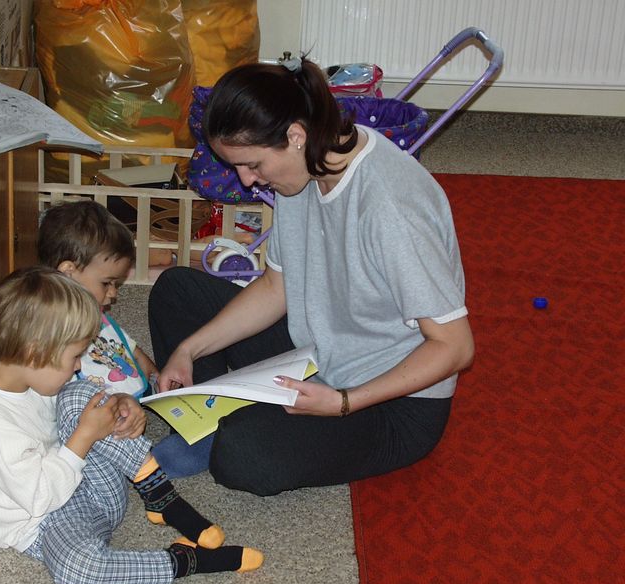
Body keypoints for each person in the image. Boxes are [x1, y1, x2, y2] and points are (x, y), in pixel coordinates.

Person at [148, 56, 475, 496]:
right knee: (176, 290)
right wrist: (190, 349)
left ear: (295, 136)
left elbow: (455, 347)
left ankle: (227, 426)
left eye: (253, 165)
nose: (247, 181)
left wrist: (342, 403)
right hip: (318, 352)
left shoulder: (390, 207)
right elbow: (276, 287)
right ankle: (207, 419)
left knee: (242, 454)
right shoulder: (304, 169)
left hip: (390, 403)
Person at [0, 266, 263, 584]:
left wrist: (119, 404)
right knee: (78, 571)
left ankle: (159, 494)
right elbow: (41, 498)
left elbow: (79, 409)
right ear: (34, 353)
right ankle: (184, 561)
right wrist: (84, 436)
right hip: (46, 521)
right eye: (74, 356)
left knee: (77, 395)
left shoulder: (28, 372)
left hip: (92, 487)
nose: (79, 365)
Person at [37, 200, 203, 477]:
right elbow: (66, 399)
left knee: (185, 406)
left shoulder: (94, 312)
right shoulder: (51, 328)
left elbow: (124, 347)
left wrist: (153, 374)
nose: (114, 294)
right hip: (96, 416)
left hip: (127, 398)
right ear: (68, 273)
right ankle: (149, 468)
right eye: (107, 283)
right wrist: (120, 404)